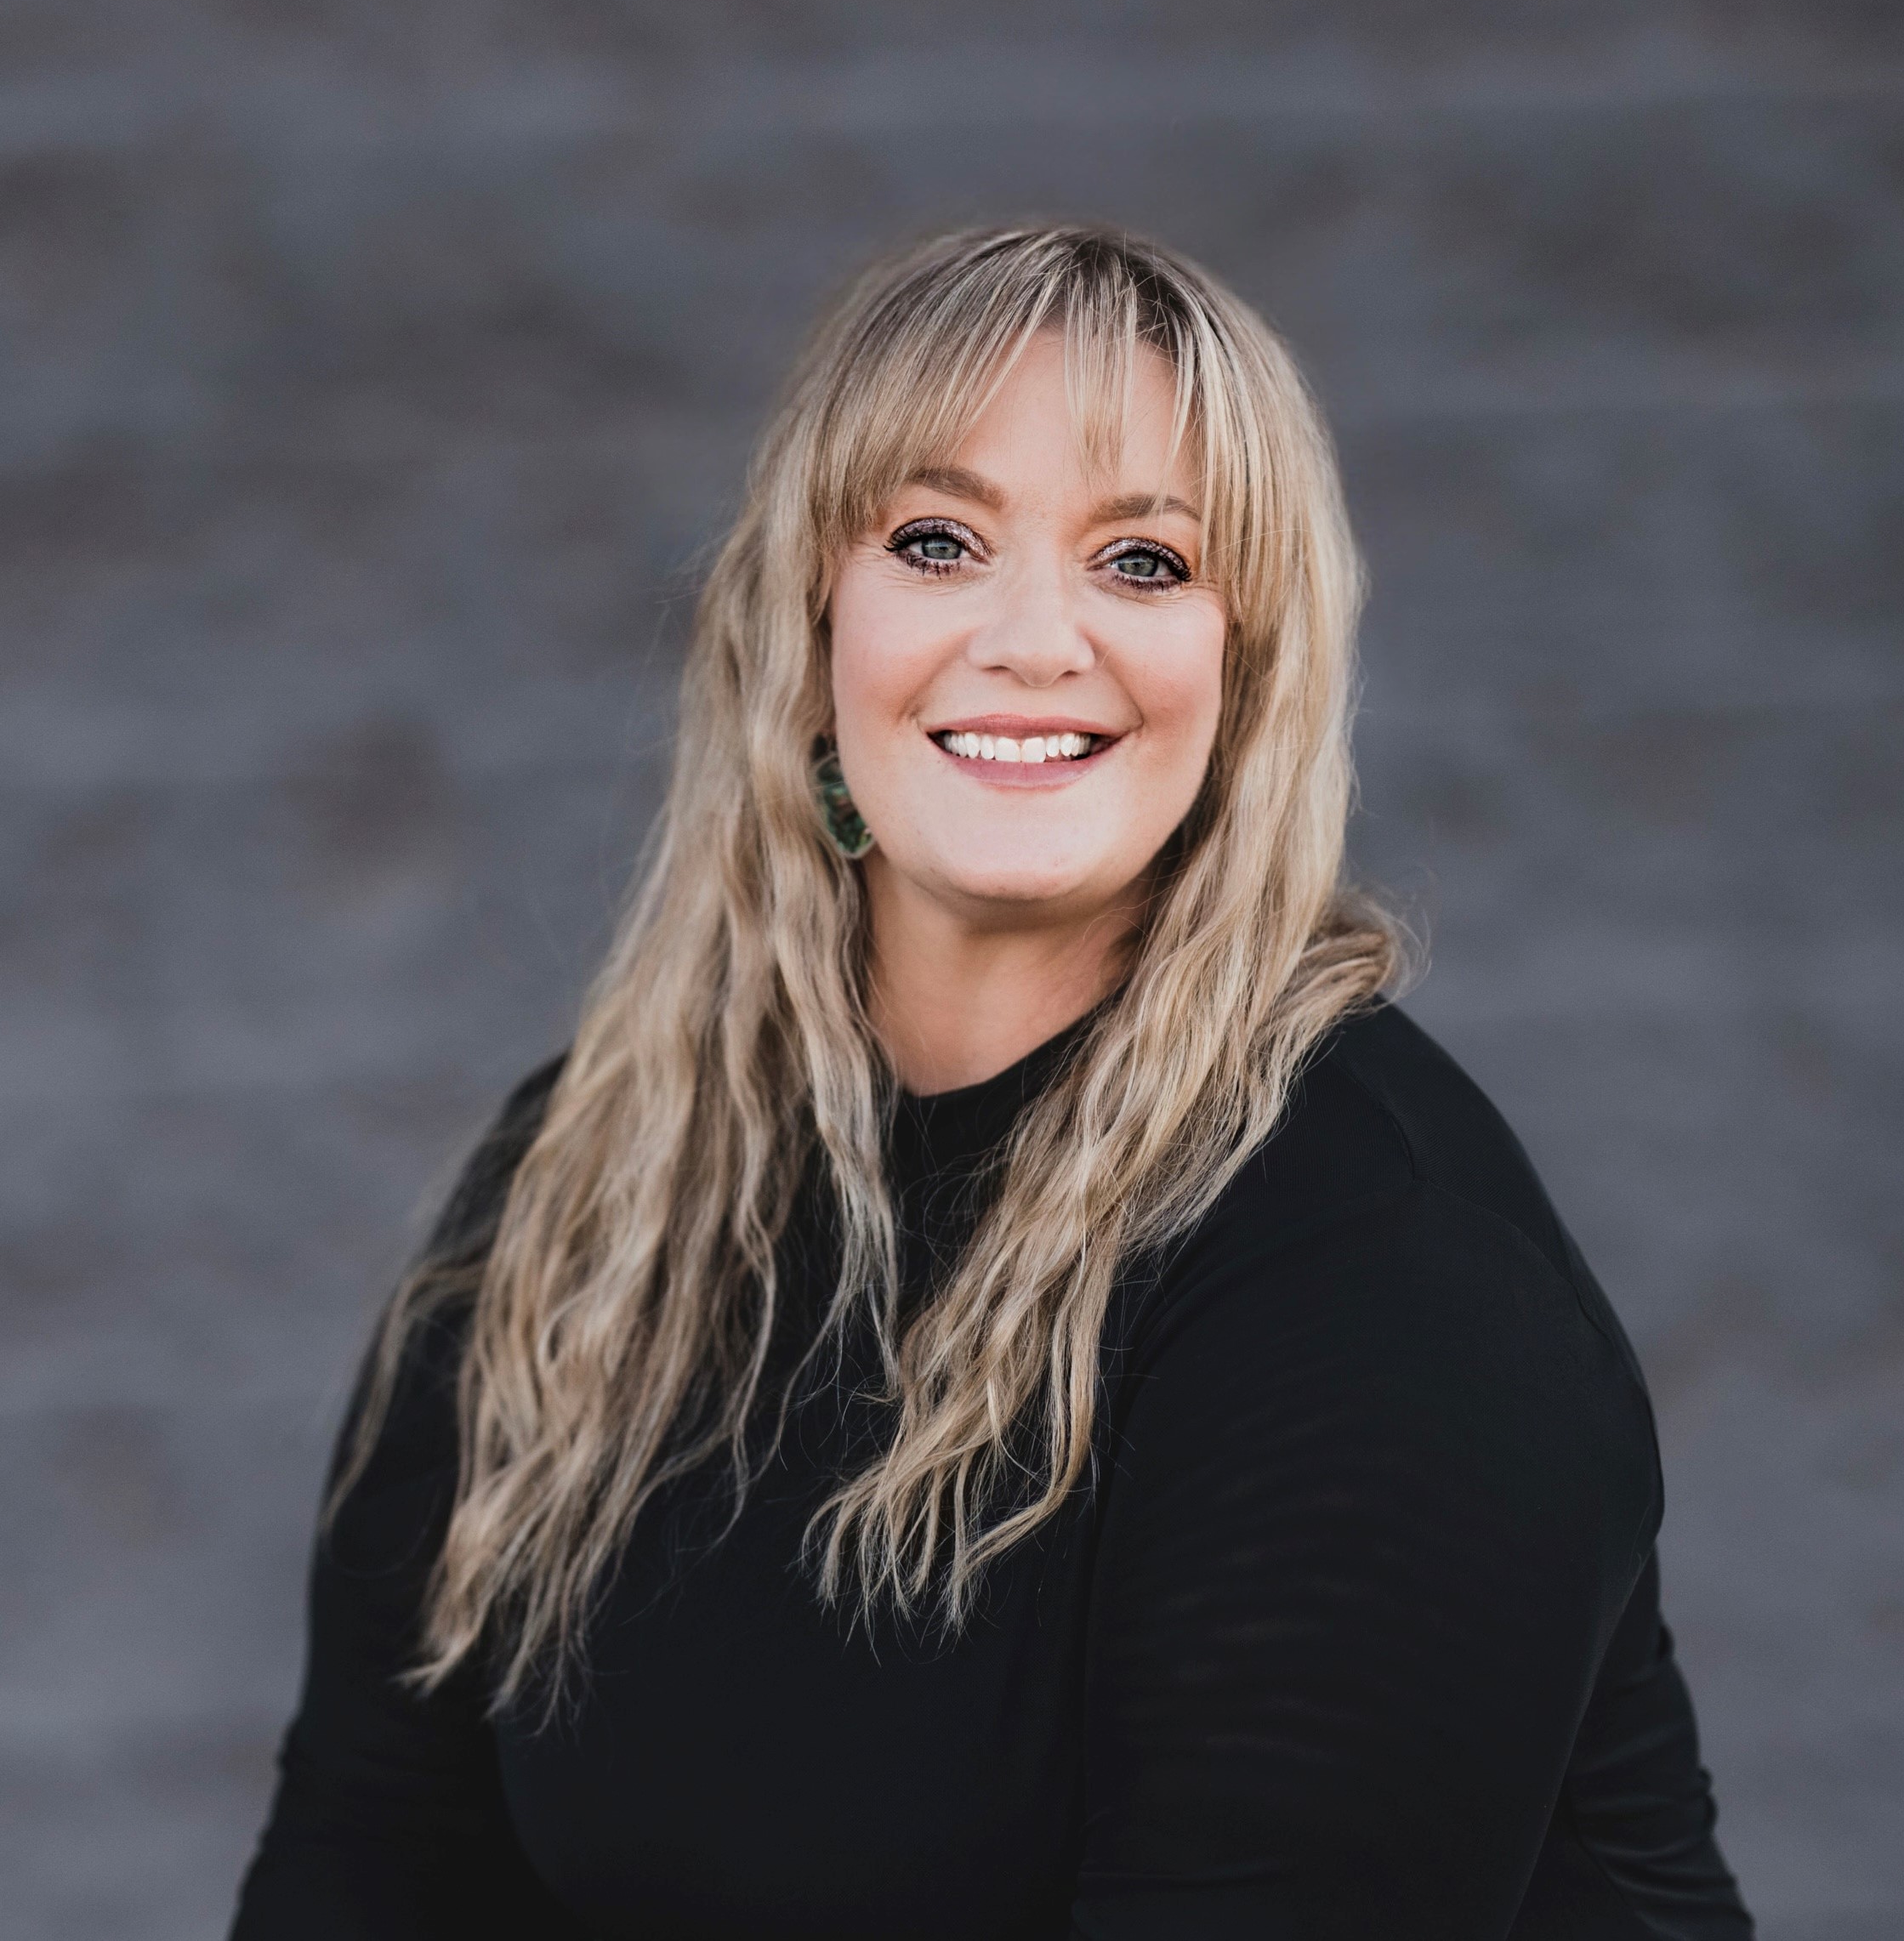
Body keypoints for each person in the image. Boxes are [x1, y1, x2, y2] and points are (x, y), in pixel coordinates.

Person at [232, 224, 1753, 1939]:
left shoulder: (1369, 1275)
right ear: (812, 623)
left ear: (1246, 668)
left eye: (1145, 562)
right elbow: (359, 1876)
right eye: (938, 541)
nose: (1036, 642)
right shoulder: (586, 1187)